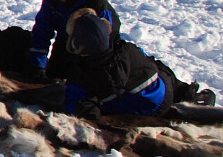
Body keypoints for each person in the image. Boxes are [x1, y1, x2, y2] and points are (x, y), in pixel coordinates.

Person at [63, 10, 215, 120]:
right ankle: (191, 95)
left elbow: (79, 107)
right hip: (164, 92)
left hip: (138, 111)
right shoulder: (127, 49)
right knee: (154, 66)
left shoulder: (83, 74)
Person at [28, 0, 119, 80]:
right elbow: (42, 29)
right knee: (52, 76)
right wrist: (37, 64)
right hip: (66, 41)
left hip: (91, 50)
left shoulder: (96, 1)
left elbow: (103, 39)